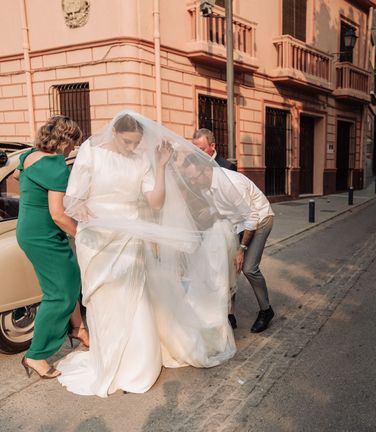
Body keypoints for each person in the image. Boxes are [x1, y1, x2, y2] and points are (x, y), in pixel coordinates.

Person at [57, 111, 243, 397]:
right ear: (115, 133)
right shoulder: (90, 154)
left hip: (130, 237)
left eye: (136, 143)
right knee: (104, 302)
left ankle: (136, 366)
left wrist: (159, 167)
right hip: (97, 238)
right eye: (128, 142)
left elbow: (155, 203)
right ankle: (108, 363)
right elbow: (74, 198)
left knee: (135, 299)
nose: (132, 148)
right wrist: (82, 210)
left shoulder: (141, 161)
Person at [15, 115, 87, 379]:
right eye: (73, 143)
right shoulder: (56, 167)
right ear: (65, 140)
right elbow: (58, 214)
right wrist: (81, 233)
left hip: (31, 231)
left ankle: (78, 330)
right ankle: (36, 355)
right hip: (44, 235)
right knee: (59, 295)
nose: (72, 149)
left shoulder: (30, 156)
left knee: (70, 279)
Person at [182, 157, 276, 333]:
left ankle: (266, 311)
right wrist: (209, 211)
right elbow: (223, 208)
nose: (193, 182)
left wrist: (242, 250)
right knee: (229, 267)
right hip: (237, 222)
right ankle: (230, 315)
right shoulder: (204, 184)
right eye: (191, 179)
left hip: (261, 220)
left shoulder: (230, 183)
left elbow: (252, 217)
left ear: (206, 170)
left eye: (195, 178)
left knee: (248, 268)